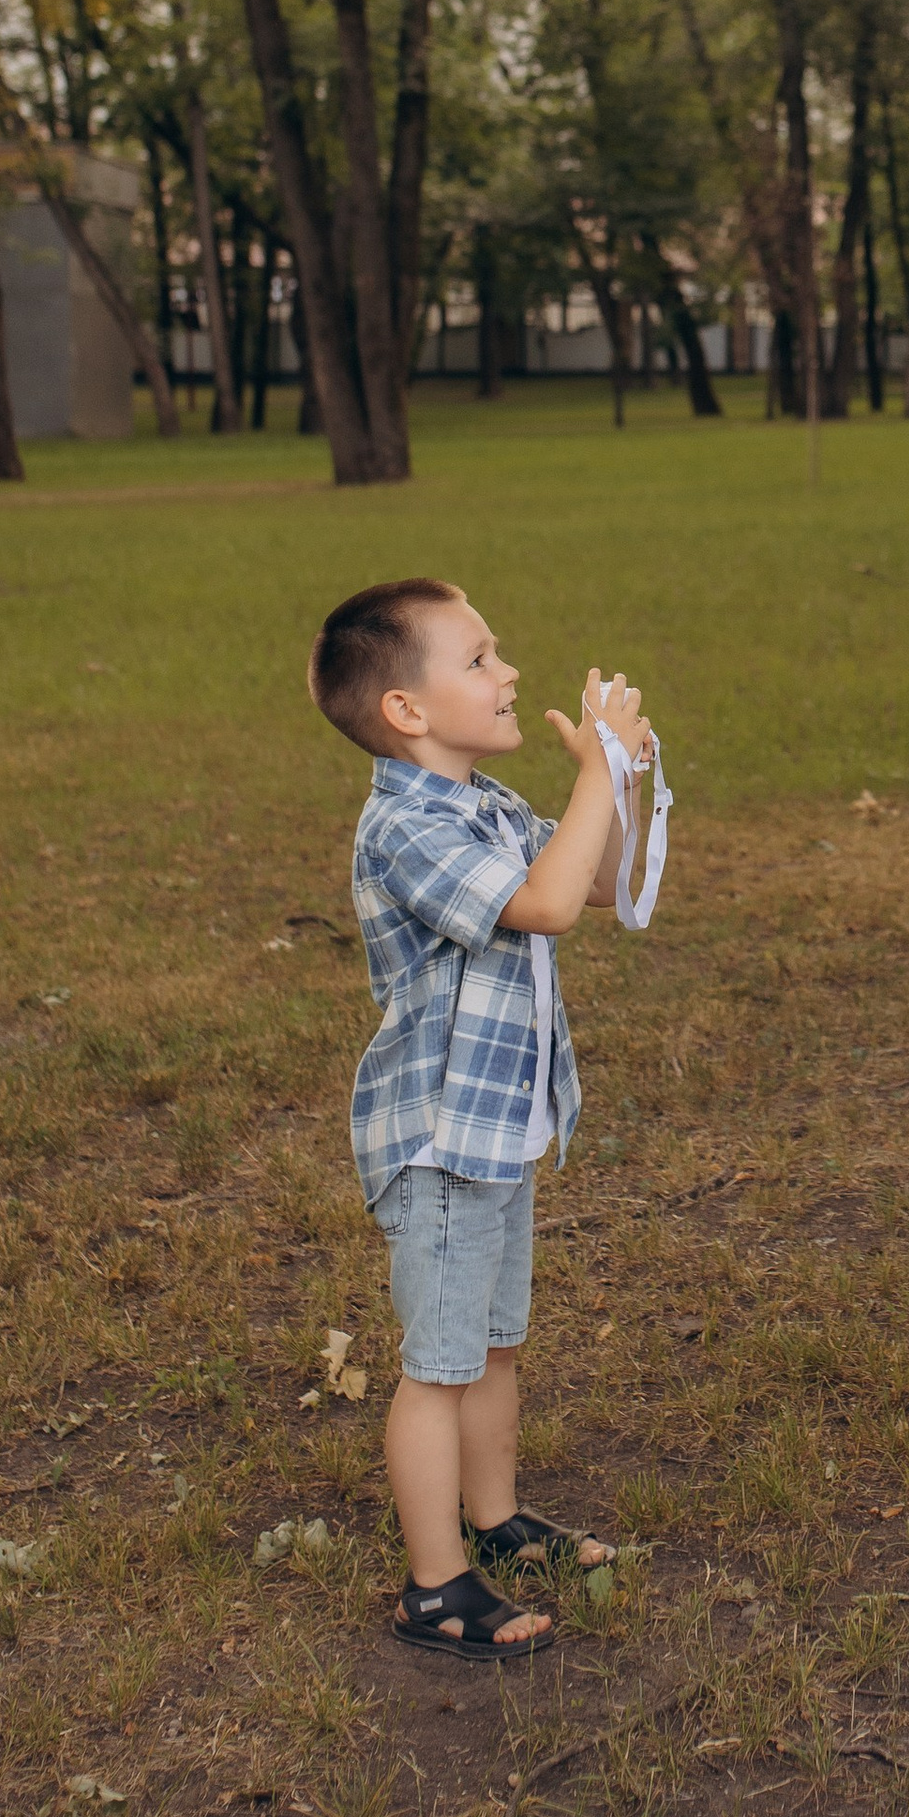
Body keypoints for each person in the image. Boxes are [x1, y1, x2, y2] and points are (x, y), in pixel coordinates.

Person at [309, 577, 660, 1663]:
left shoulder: (486, 807)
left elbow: (602, 883)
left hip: (499, 1131)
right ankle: (435, 1586)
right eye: (479, 658)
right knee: (440, 1364)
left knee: (494, 1346)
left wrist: (624, 780)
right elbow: (544, 906)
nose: (508, 673)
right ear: (406, 711)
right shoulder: (405, 827)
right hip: (440, 1138)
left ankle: (495, 1519)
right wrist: (595, 768)